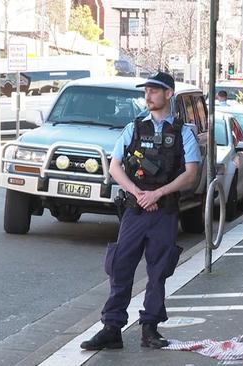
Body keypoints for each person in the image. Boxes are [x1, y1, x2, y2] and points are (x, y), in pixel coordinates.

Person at [80, 72, 201, 351]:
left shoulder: (183, 132)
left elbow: (191, 174)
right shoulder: (133, 128)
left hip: (164, 212)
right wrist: (139, 194)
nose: (148, 96)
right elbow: (114, 167)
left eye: (154, 91)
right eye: (146, 91)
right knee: (120, 267)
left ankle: (150, 328)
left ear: (169, 94)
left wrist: (157, 194)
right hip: (135, 210)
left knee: (159, 271)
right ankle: (112, 328)